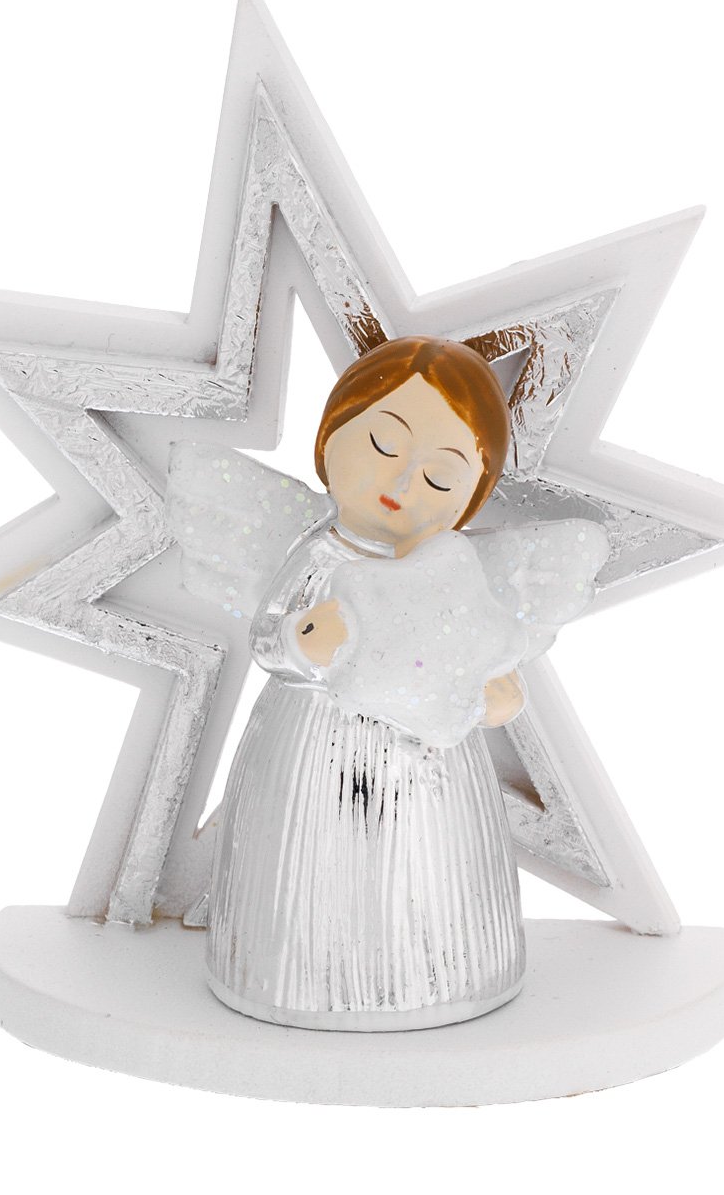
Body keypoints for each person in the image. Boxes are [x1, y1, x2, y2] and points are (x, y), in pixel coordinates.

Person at [205, 337, 527, 1031]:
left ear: (472, 496)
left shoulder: (448, 570)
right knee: (309, 861)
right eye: (384, 443)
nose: (404, 482)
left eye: (440, 478)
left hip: (427, 762)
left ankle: (445, 971)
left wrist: (494, 686)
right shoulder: (323, 555)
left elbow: (476, 640)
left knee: (428, 864)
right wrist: (301, 642)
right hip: (310, 743)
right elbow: (268, 638)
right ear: (334, 433)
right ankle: (290, 971)